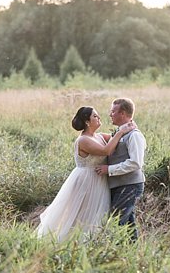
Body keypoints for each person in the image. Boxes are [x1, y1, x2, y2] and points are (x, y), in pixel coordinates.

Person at [36, 107, 136, 241]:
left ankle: (92, 242)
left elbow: (117, 138)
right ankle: (72, 242)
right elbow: (106, 150)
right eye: (95, 116)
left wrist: (128, 125)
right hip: (86, 181)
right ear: (87, 122)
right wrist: (121, 132)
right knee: (81, 213)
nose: (99, 118)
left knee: (98, 214)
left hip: (99, 181)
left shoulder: (99, 136)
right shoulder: (83, 140)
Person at [95, 98, 147, 242]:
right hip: (120, 185)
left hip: (130, 185)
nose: (110, 114)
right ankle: (132, 254)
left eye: (113, 111)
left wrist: (109, 169)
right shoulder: (120, 133)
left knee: (116, 222)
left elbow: (136, 163)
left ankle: (115, 255)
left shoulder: (135, 135)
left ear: (122, 113)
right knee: (128, 224)